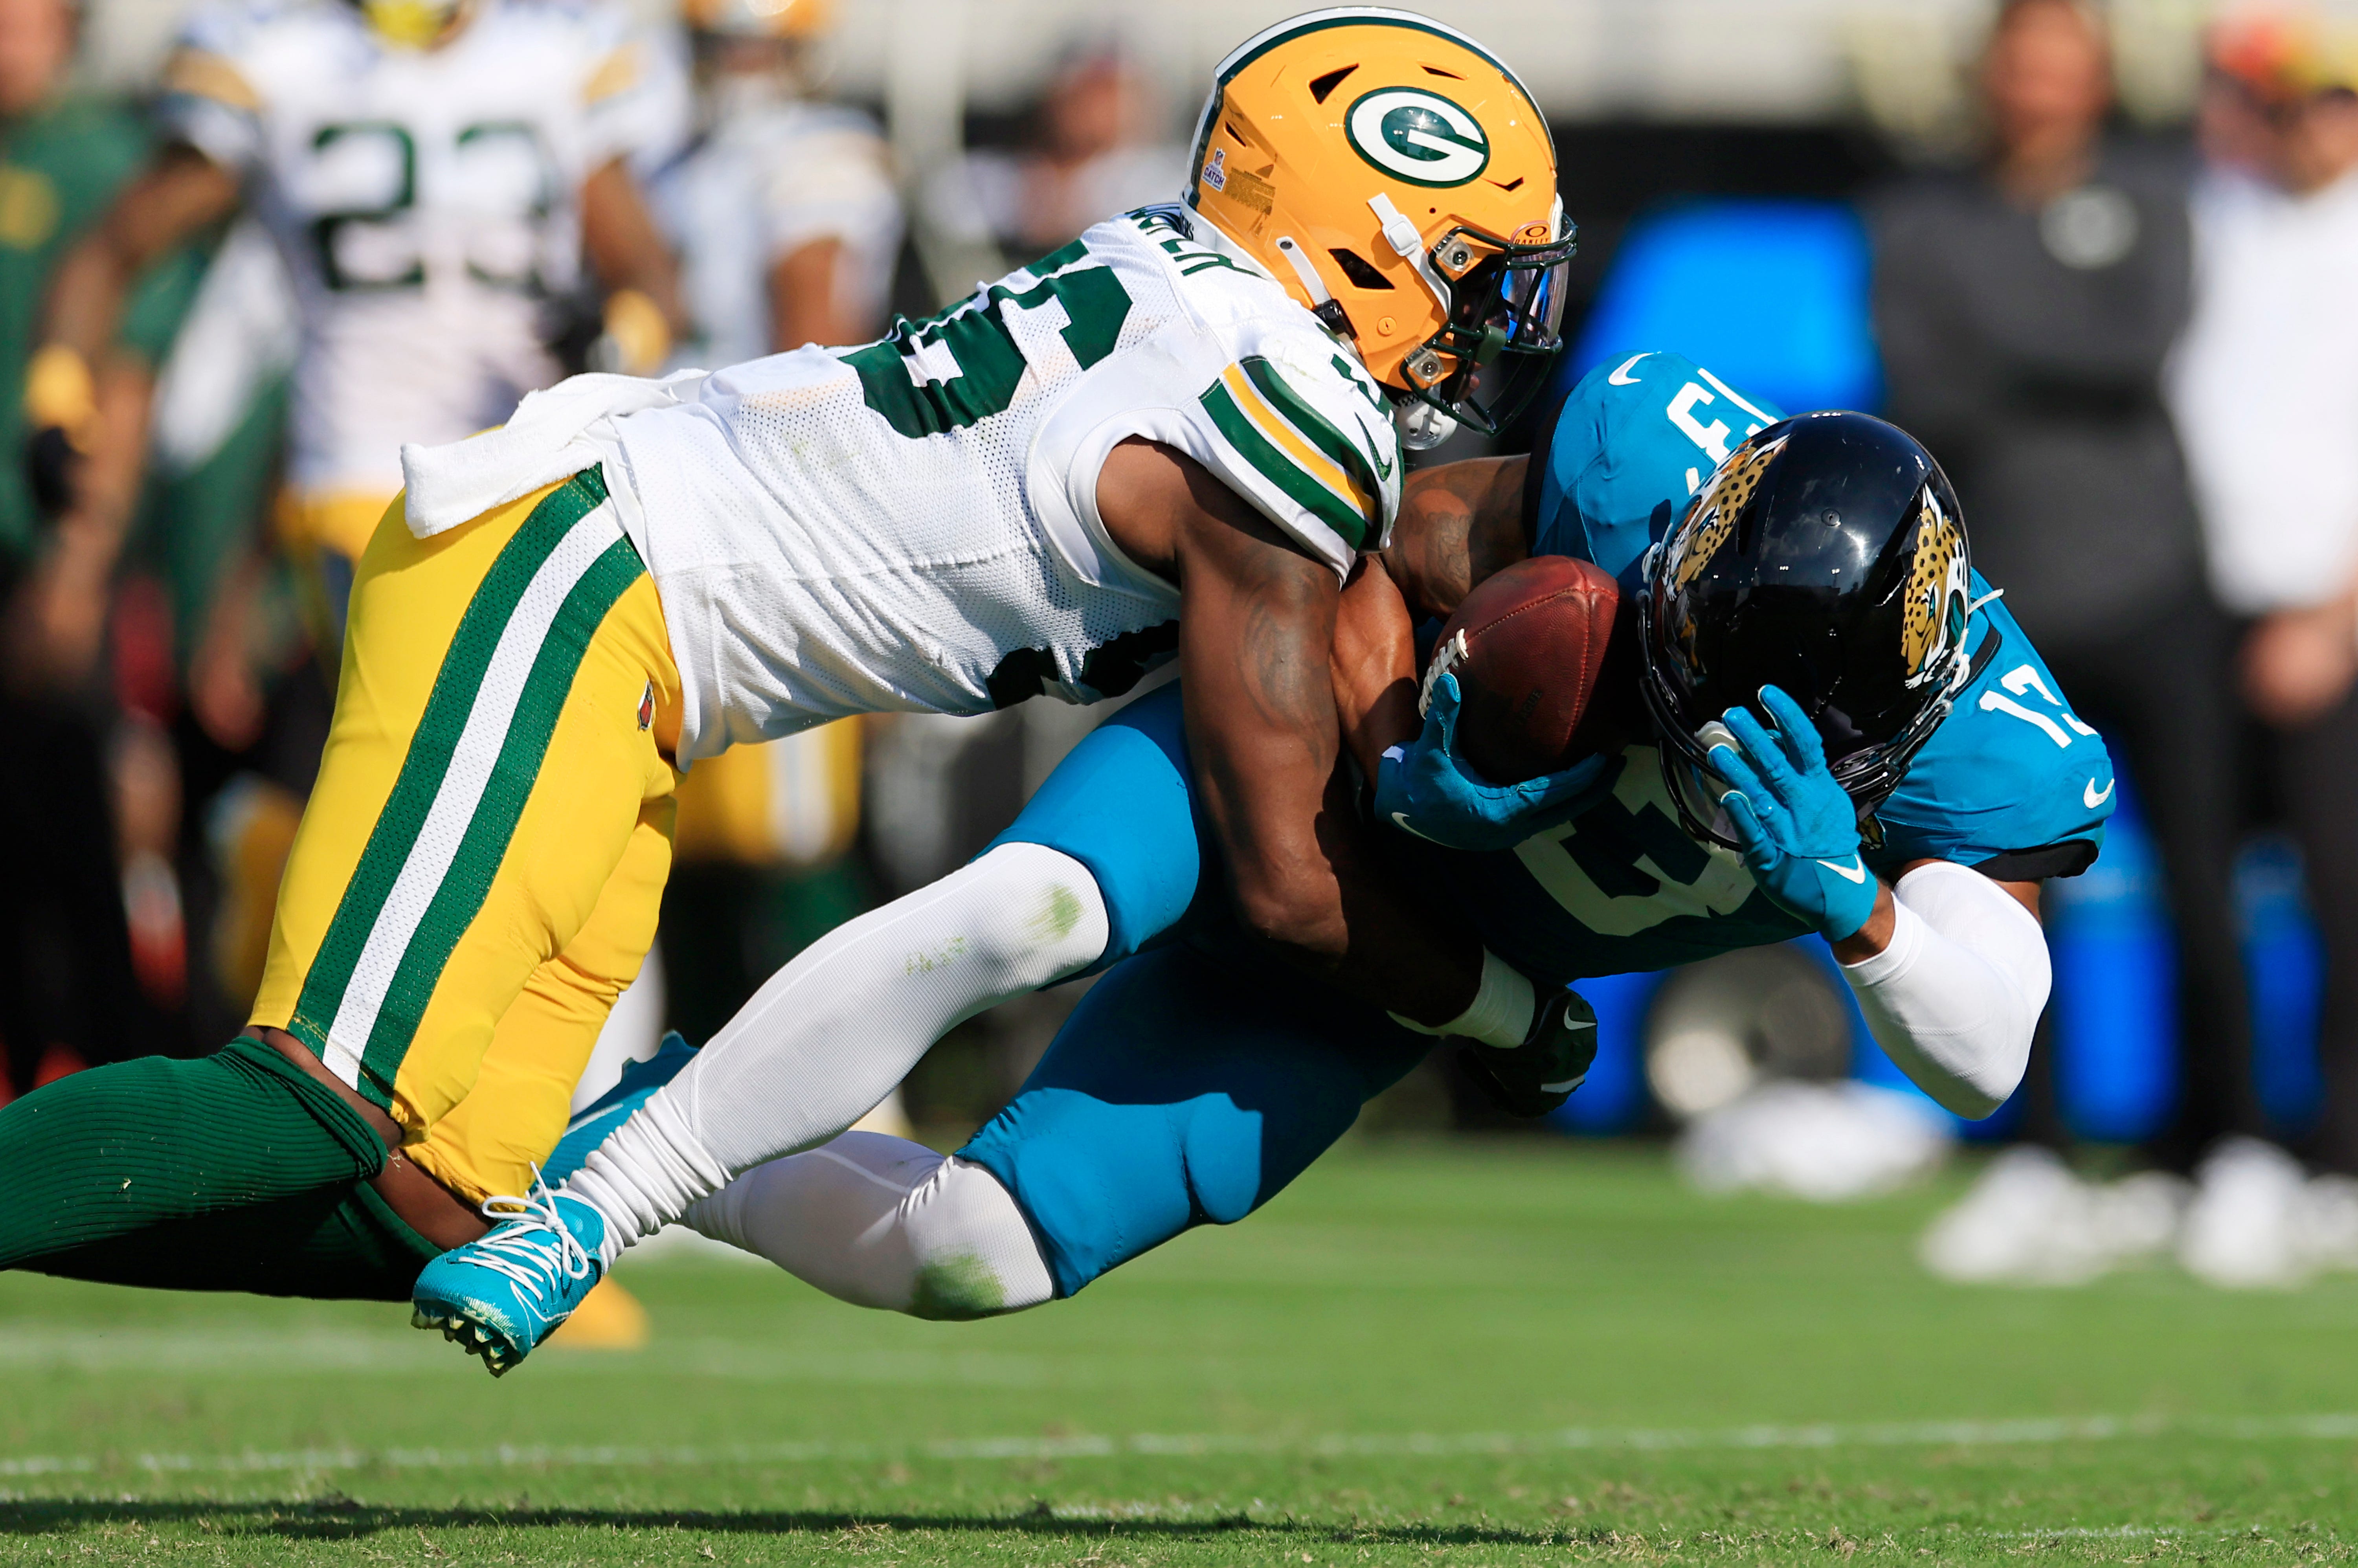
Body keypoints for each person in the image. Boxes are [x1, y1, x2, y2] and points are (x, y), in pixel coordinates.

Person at [0, 8, 1575, 1311]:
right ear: (1366, 249)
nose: (1491, 326)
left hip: (640, 645)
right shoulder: (1282, 410)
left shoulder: (1186, 281)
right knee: (314, 1104)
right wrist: (1516, 1010)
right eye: (1479, 277)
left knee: (430, 1203)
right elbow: (1292, 879)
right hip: (586, 568)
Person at [415, 352, 2111, 1368]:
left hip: (1400, 977)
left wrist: (1857, 906)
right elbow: (1372, 540)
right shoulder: (1646, 468)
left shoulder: (1989, 756)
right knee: (1035, 905)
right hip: (1308, 792)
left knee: (975, 1251)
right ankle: (589, 1214)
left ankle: (637, 1122)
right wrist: (1398, 752)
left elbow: (1986, 1048)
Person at [1872, 0, 2250, 1282]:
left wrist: (2011, 346)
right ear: (1993, 78)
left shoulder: (2153, 195)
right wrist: (2054, 343)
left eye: (2066, 66)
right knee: (2012, 889)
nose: (2043, 89)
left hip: (2160, 587)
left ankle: (2228, 1156)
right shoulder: (1919, 219)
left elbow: (2141, 336)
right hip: (2002, 609)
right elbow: (1922, 384)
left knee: (2203, 884)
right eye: (2024, 65)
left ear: (2097, 81)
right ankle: (2030, 1162)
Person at [2166, 11, 2358, 1287]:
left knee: (2345, 895)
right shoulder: (2214, 217)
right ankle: (2222, 1151)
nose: (2308, 124)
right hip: (2199, 601)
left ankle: (2342, 1160)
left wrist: (2337, 616)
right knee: (2195, 893)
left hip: (2330, 611)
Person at [1, 0, 207, 1096]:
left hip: (40, 550)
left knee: (76, 839)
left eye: (27, 22)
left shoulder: (100, 161)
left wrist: (78, 561)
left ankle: (118, 1107)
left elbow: (125, 377)